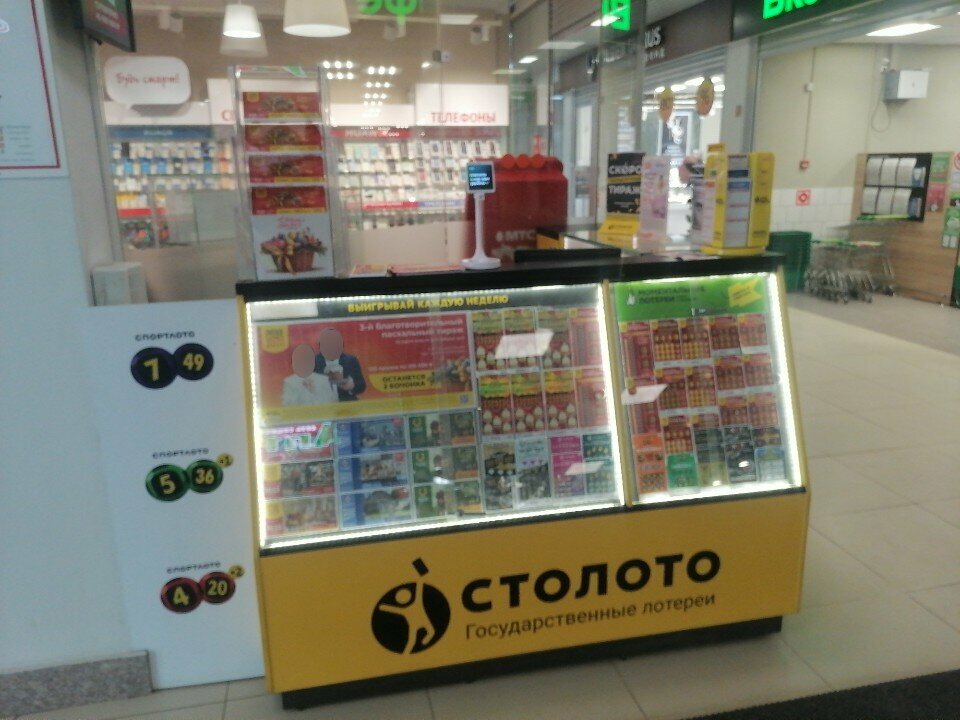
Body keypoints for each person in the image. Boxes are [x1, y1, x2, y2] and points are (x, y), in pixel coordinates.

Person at [314, 327, 366, 401]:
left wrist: (352, 386)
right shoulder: (314, 361)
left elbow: (362, 385)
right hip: (322, 403)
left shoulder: (351, 360)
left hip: (347, 401)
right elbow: (305, 386)